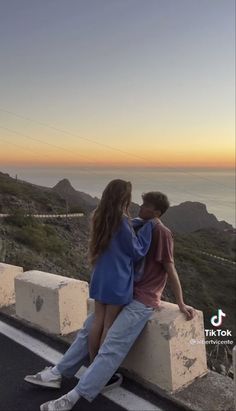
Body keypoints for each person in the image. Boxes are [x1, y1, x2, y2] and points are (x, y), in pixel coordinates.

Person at [24, 191, 196, 411]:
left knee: (113, 344)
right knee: (88, 329)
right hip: (123, 292)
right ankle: (57, 373)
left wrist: (181, 302)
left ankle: (73, 397)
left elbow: (170, 268)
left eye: (145, 206)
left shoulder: (162, 232)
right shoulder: (137, 225)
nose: (139, 207)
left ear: (156, 212)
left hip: (144, 298)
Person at [87, 179, 154, 362]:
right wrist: (148, 227)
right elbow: (136, 250)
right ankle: (99, 369)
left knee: (97, 322)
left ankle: (93, 361)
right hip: (117, 278)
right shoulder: (122, 221)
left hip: (100, 276)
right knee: (109, 326)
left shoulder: (98, 215)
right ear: (124, 197)